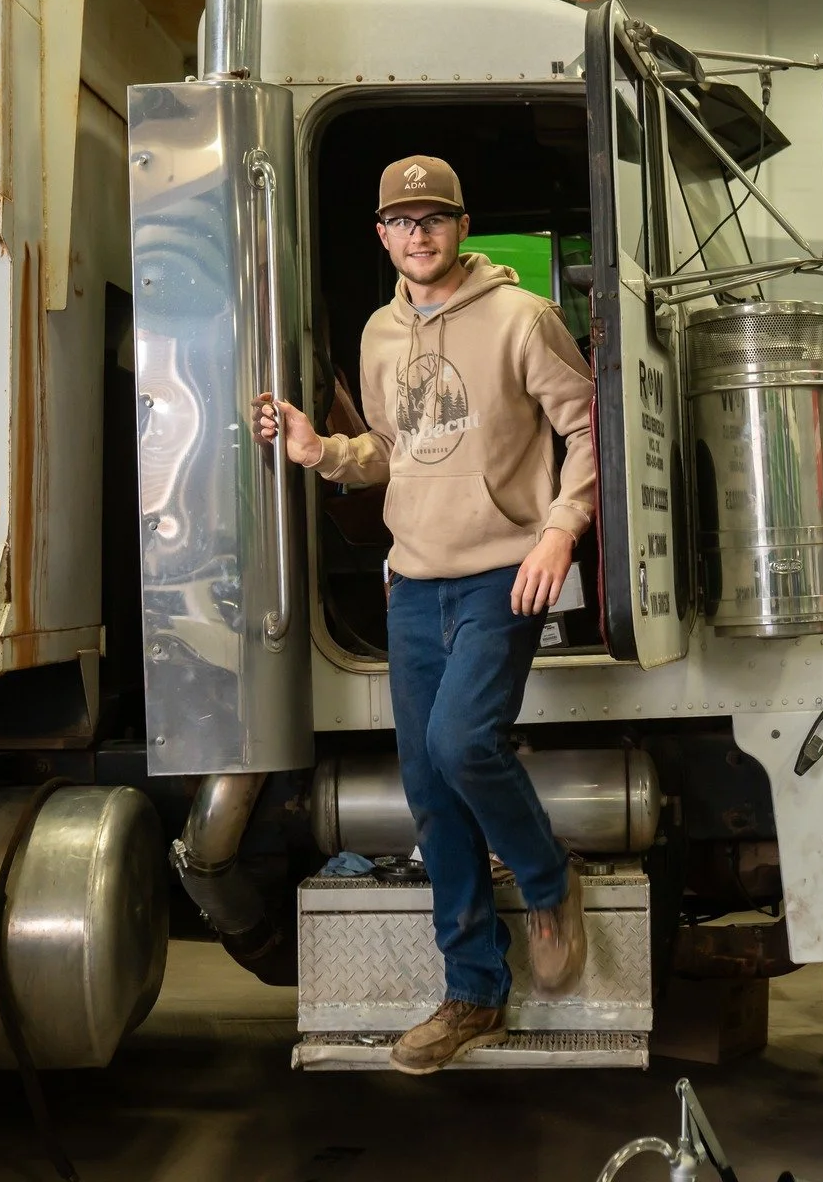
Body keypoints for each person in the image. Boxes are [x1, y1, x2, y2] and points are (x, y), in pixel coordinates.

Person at [253, 154, 597, 1075]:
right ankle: (473, 993)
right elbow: (393, 453)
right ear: (383, 235)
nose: (418, 234)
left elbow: (586, 425)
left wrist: (561, 532)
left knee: (463, 745)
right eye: (402, 222)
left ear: (461, 225)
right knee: (431, 793)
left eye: (434, 218)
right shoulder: (376, 335)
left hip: (501, 573)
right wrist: (321, 449)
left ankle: (546, 880)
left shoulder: (523, 319)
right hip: (413, 582)